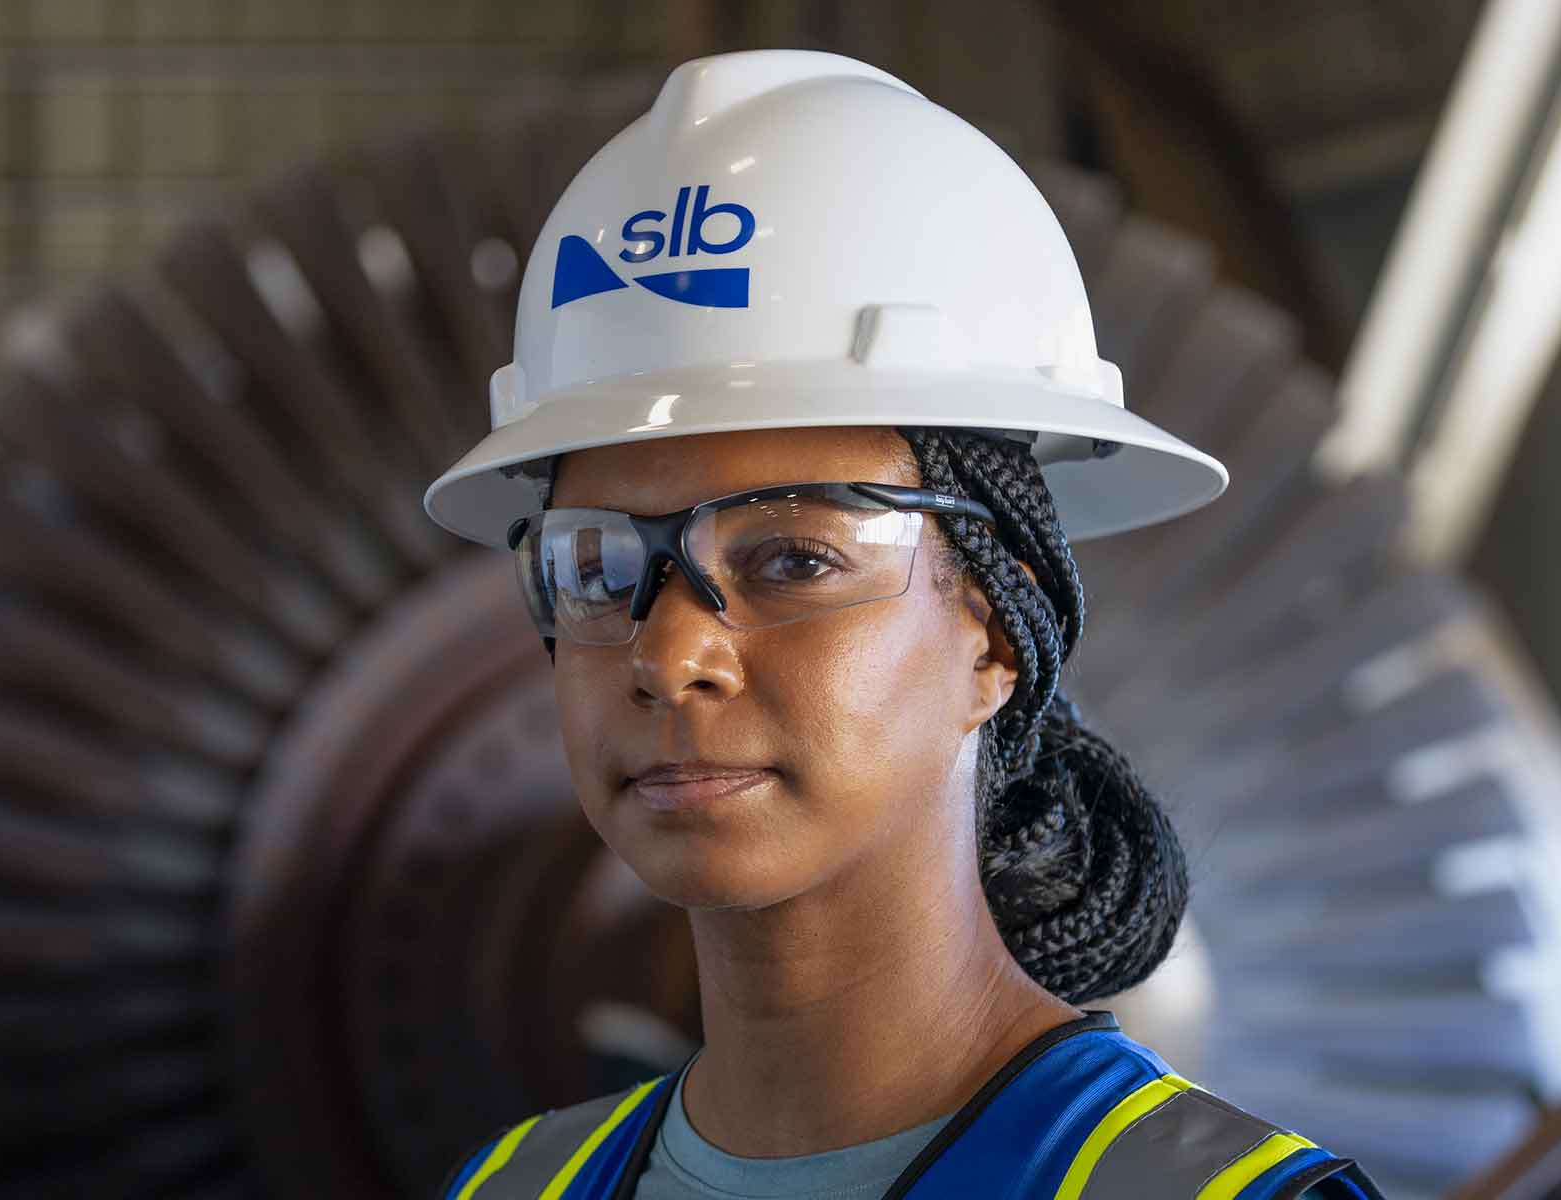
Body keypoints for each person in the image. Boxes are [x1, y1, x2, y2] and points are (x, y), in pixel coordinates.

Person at [419, 50, 1382, 1200]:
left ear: (993, 630)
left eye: (790, 558)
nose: (669, 654)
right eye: (595, 564)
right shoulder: (517, 1188)